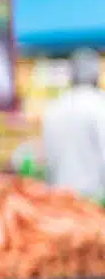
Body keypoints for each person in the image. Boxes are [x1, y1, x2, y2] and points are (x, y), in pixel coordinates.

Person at [42, 49, 105, 199]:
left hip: (60, 196)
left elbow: (48, 156)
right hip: (94, 197)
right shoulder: (99, 104)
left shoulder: (55, 106)